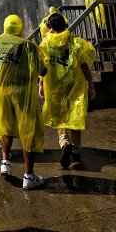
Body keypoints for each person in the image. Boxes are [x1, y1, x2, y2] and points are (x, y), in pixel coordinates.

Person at [0, 15, 46, 189]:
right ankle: (29, 176)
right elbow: (42, 70)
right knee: (28, 131)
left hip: (1, 92)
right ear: (20, 27)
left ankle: (5, 162)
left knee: (6, 127)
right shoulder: (28, 46)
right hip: (22, 93)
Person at [38, 13, 96, 168]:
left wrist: (41, 85)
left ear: (49, 27)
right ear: (65, 24)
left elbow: (42, 67)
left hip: (55, 85)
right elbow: (84, 65)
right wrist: (91, 84)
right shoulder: (75, 42)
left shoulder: (45, 43)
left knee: (58, 115)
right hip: (74, 84)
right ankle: (76, 148)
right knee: (75, 114)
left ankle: (64, 142)